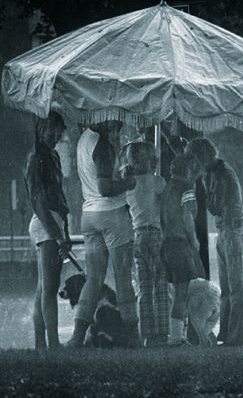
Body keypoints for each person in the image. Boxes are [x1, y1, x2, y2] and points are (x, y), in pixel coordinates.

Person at [66, 120, 140, 348]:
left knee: (93, 279)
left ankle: (77, 337)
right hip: (112, 215)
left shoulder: (83, 140)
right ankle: (133, 337)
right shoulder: (103, 145)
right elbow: (105, 188)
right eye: (117, 119)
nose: (120, 123)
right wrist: (128, 183)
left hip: (89, 214)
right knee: (123, 276)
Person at [185, 138, 243, 346]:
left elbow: (215, 206)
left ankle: (239, 335)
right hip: (227, 229)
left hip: (233, 230)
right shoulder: (216, 171)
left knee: (236, 286)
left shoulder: (220, 174)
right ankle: (232, 333)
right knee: (229, 287)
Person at [24, 112, 71, 350]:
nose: (56, 136)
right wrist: (58, 234)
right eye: (53, 131)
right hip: (46, 223)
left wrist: (65, 232)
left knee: (44, 287)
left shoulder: (50, 156)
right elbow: (39, 201)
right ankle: (52, 342)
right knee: (49, 287)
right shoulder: (37, 158)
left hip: (51, 222)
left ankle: (42, 344)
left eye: (58, 132)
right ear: (42, 128)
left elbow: (58, 198)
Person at [124, 141, 168, 347]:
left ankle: (147, 334)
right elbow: (168, 206)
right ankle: (162, 333)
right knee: (160, 286)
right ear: (153, 161)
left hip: (138, 237)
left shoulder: (128, 184)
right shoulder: (158, 182)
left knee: (143, 287)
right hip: (156, 235)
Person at [160, 153, 201, 346]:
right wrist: (194, 241)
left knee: (174, 291)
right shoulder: (186, 188)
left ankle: (175, 334)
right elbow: (187, 217)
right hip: (180, 243)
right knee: (182, 293)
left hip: (166, 243)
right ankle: (177, 338)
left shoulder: (168, 187)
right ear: (189, 170)